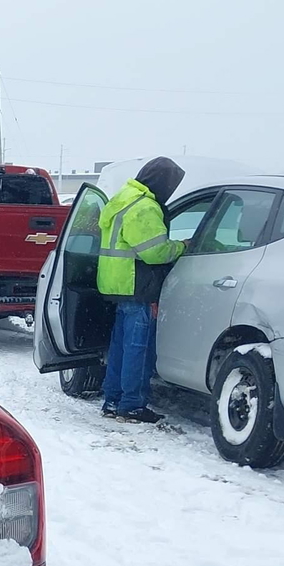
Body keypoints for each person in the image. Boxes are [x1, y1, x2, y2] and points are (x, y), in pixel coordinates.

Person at [97, 156, 187, 424]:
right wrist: (183, 246)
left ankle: (112, 400)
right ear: (163, 183)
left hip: (118, 283)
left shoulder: (124, 196)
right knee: (138, 348)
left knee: (121, 347)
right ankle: (132, 405)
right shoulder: (145, 207)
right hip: (138, 284)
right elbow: (156, 252)